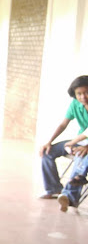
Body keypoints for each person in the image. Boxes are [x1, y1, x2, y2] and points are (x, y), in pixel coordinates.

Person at [39, 75, 88, 204]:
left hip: (84, 145)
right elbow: (63, 124)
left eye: (87, 92)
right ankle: (54, 189)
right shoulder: (76, 104)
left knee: (81, 154)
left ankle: (70, 198)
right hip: (80, 140)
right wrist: (49, 141)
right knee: (47, 152)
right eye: (79, 94)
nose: (83, 97)